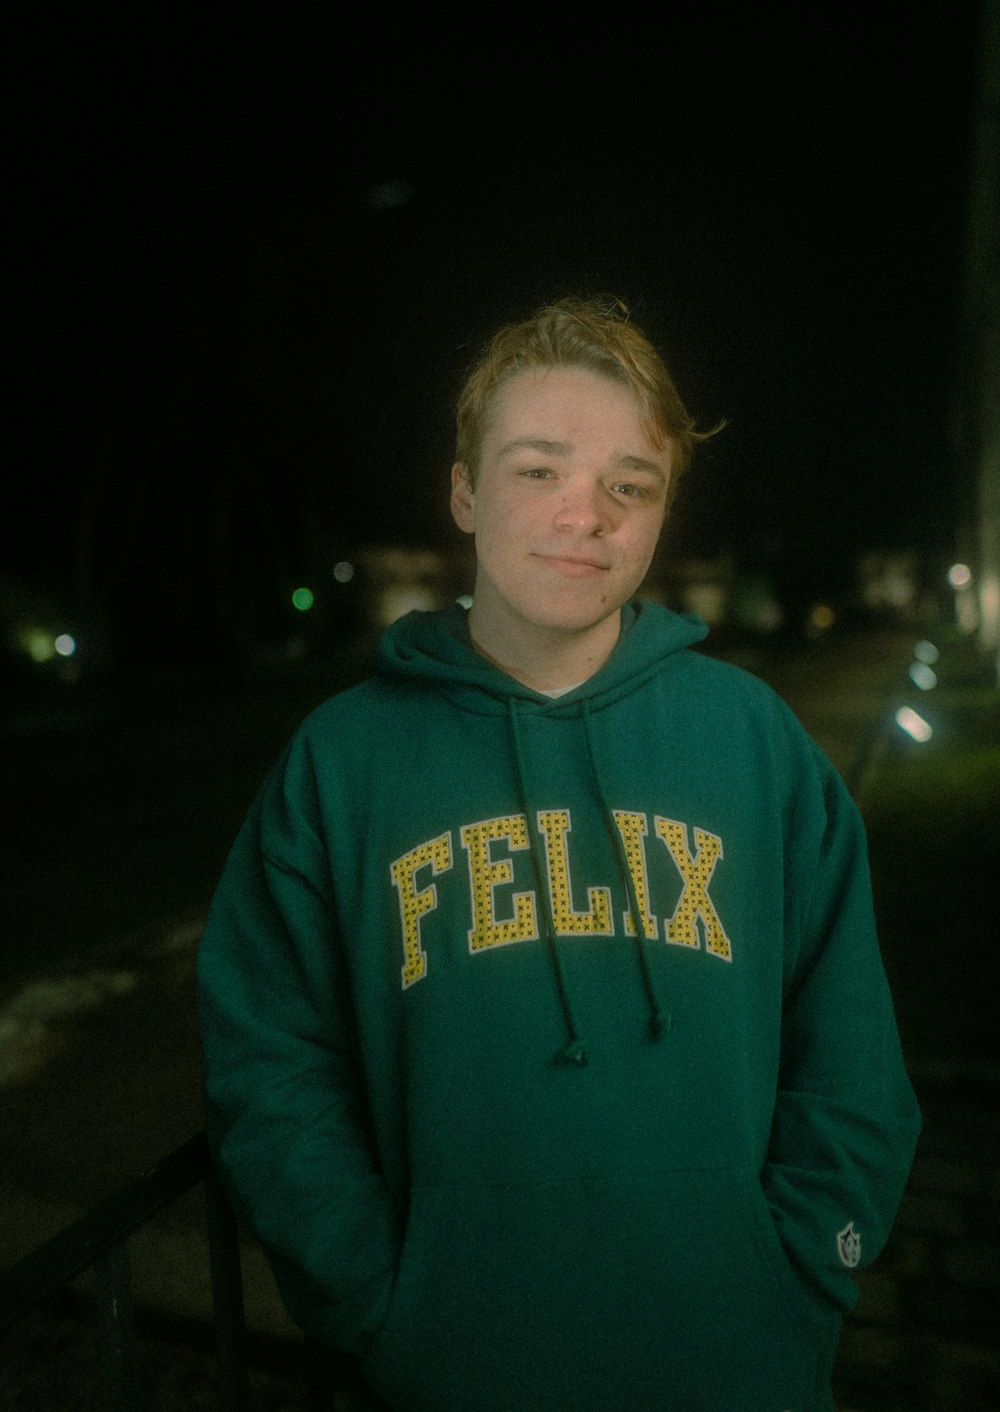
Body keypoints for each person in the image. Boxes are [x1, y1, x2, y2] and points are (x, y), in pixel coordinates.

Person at [197, 296, 921, 1412]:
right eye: (539, 470)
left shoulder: (755, 742)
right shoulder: (341, 763)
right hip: (446, 1371)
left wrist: (803, 1271)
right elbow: (267, 1058)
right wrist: (372, 1297)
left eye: (629, 485)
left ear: (661, 513)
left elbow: (853, 1053)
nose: (585, 515)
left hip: (737, 1366)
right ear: (464, 491)